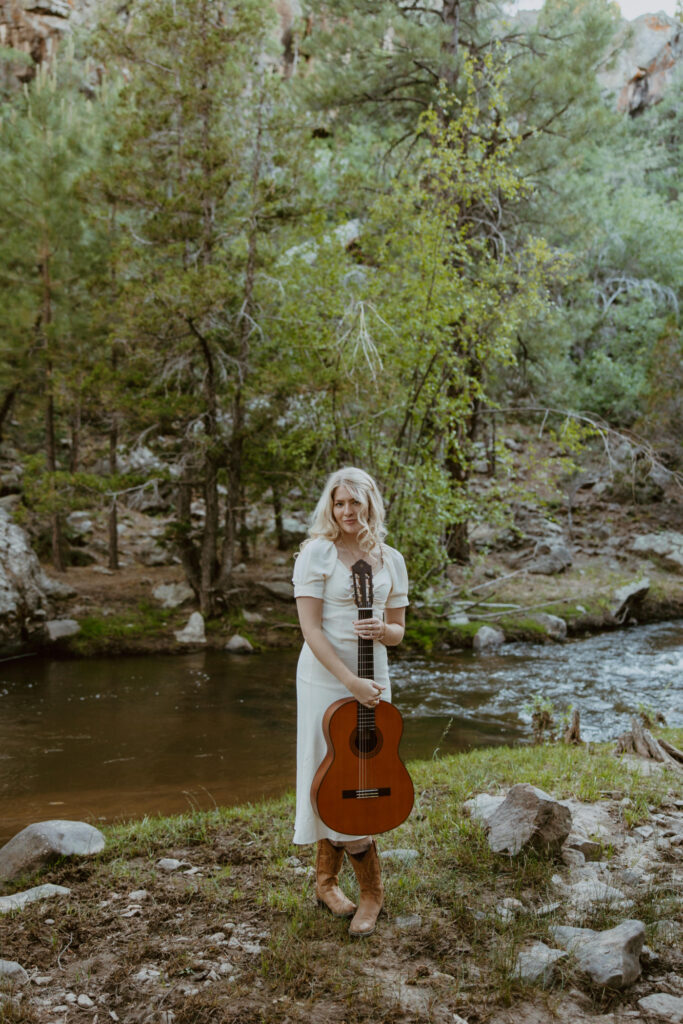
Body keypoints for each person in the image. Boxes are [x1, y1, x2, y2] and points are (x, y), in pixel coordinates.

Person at [292, 466, 409, 937]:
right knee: (326, 768)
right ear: (330, 506)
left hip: (373, 673)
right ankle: (336, 884)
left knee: (364, 768)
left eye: (354, 505)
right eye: (339, 504)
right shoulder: (315, 554)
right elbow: (311, 629)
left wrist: (383, 631)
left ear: (369, 506)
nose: (346, 513)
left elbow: (399, 631)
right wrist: (348, 682)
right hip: (325, 675)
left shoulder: (391, 559)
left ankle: (359, 890)